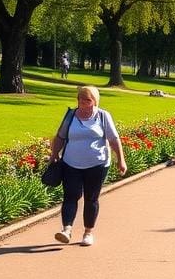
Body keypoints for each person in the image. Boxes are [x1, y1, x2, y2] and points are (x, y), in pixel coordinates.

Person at [49, 85, 127, 247]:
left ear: (95, 101)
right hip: (71, 163)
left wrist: (121, 160)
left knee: (91, 198)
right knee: (71, 195)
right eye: (80, 100)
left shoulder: (103, 116)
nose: (83, 103)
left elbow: (113, 139)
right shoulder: (71, 116)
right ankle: (67, 230)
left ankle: (88, 232)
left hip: (97, 164)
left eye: (87, 100)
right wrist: (54, 154)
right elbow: (60, 136)